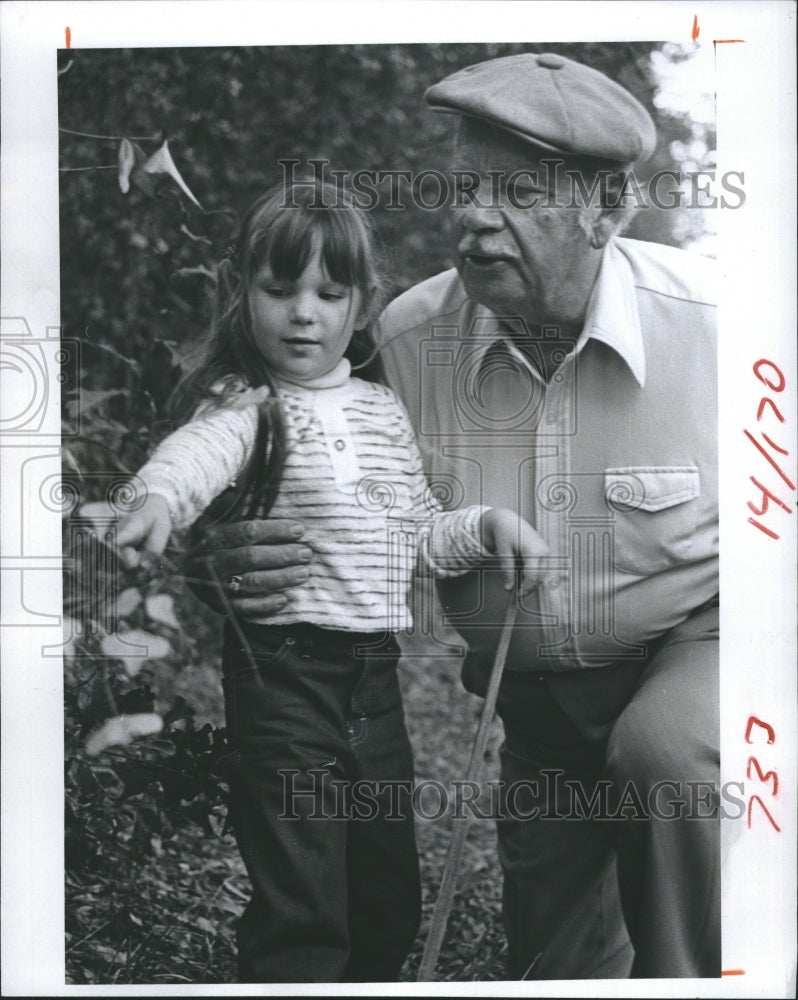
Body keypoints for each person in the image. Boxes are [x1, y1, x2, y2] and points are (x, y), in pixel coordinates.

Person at [188, 53, 719, 980]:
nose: (474, 215)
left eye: (517, 191)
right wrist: (224, 552)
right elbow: (298, 472)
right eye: (465, 186)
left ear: (605, 210)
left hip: (694, 659)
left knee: (666, 757)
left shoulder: (724, 327)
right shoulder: (404, 338)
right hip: (540, 710)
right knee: (556, 969)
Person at [114, 180, 549, 983]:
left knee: (384, 888)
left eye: (328, 292)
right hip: (283, 678)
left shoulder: (382, 410)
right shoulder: (248, 406)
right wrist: (155, 496)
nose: (303, 313)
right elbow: (196, 454)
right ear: (243, 296)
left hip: (372, 681)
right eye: (279, 291)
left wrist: (485, 526)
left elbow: (417, 532)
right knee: (301, 892)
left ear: (362, 303)